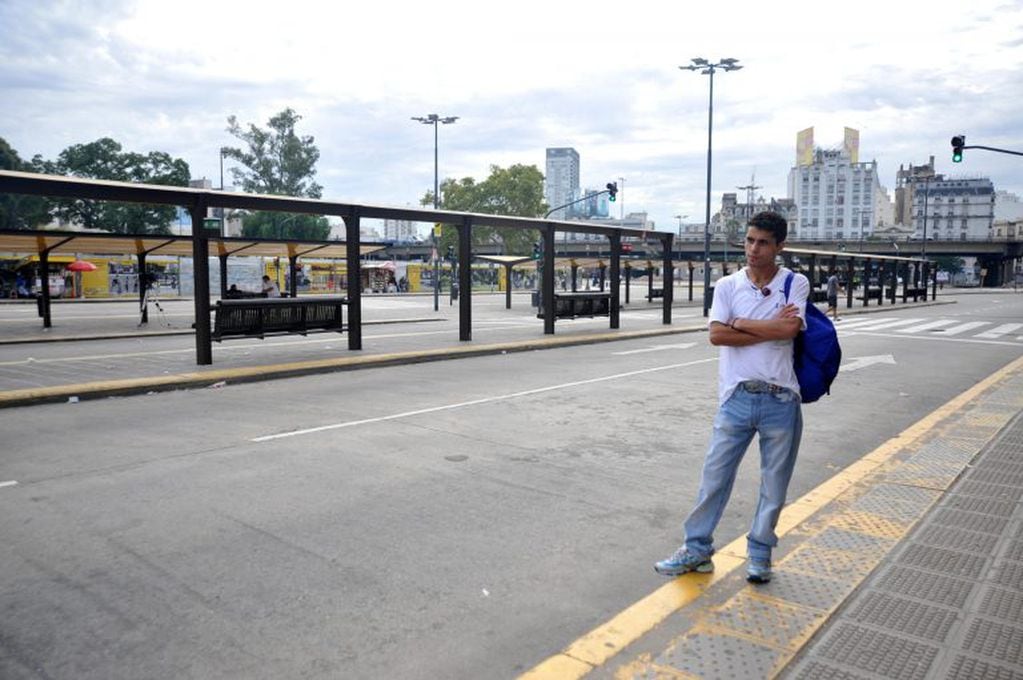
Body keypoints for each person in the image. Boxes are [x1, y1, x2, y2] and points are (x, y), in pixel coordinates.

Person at [655, 211, 808, 584]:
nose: (754, 249)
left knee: (774, 486)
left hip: (782, 399)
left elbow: (790, 328)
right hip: (736, 396)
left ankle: (759, 556)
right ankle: (696, 550)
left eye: (763, 243)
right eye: (750, 240)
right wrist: (769, 329)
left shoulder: (795, 283)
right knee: (714, 477)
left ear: (779, 246)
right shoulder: (727, 286)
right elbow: (717, 336)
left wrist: (740, 322)